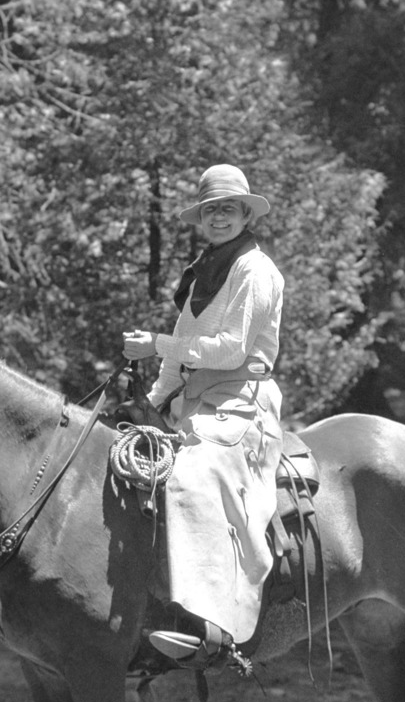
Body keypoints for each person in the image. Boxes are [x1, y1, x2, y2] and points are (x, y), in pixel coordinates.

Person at [121, 164, 286, 667]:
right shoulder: (204, 272)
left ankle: (210, 626)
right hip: (194, 402)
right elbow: (178, 359)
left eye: (228, 209)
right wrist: (150, 404)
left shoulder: (254, 270)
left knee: (189, 477)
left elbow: (231, 349)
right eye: (211, 209)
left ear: (245, 215)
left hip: (241, 405)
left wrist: (156, 343)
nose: (218, 217)